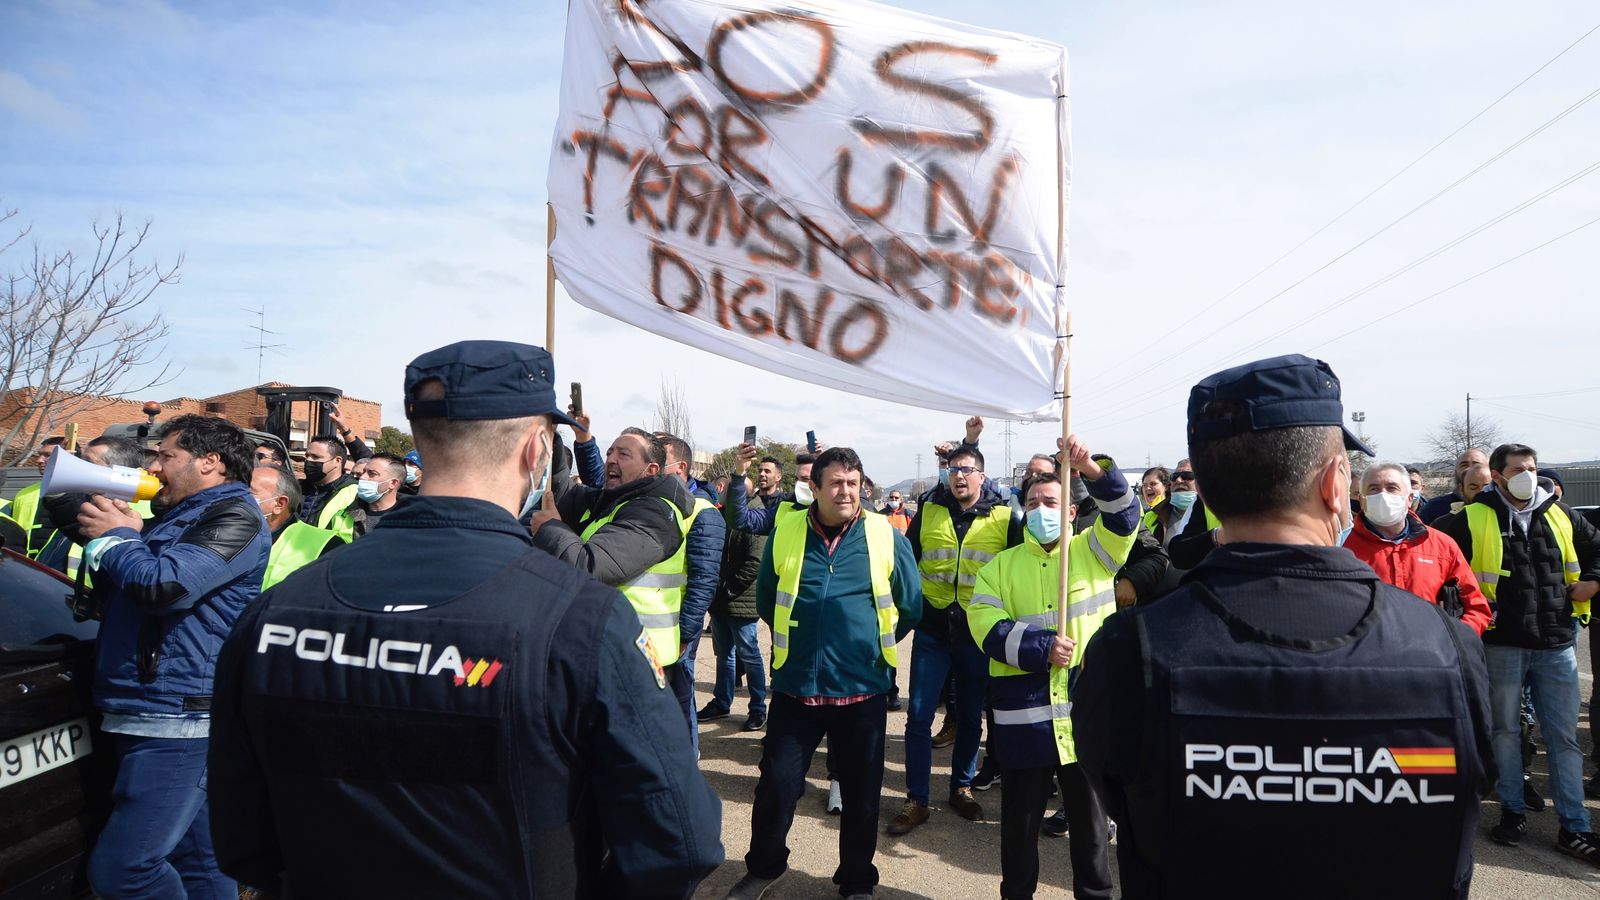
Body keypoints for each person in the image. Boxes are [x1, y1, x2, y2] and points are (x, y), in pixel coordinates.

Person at [209, 340, 722, 897]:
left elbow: (241, 836)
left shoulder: (279, 608)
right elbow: (680, 842)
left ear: (423, 440)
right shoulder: (582, 619)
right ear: (536, 450)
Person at [1074, 354, 1493, 898]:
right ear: (1336, 485)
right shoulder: (1446, 648)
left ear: (1204, 487)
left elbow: (1115, 788)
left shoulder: (1130, 650)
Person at [74, 414, 271, 898]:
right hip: (157, 707)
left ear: (210, 462)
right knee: (201, 863)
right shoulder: (181, 517)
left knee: (125, 871)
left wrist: (118, 538)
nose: (155, 468)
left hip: (177, 717)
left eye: (166, 455)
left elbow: (166, 587)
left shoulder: (235, 517)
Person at [727, 447, 921, 900]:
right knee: (775, 787)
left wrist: (872, 647)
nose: (846, 491)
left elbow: (910, 605)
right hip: (797, 692)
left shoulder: (884, 534)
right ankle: (765, 866)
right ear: (813, 488)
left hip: (862, 691)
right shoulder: (786, 527)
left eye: (854, 483)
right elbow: (767, 598)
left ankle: (856, 881)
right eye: (836, 483)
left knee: (862, 797)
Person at [968, 436, 1139, 900]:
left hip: (1086, 717)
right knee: (1019, 827)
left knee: (1090, 829)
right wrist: (1041, 647)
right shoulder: (1000, 568)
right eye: (1033, 501)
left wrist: (1090, 468)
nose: (1041, 507)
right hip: (1025, 719)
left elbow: (1126, 516)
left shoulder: (1096, 551)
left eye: (1051, 501)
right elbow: (984, 626)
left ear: (1069, 510)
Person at [1435, 442, 1600, 858]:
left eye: (1531, 467)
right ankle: (1512, 810)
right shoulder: (1470, 518)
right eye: (1517, 468)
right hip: (1501, 645)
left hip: (1557, 644)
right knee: (1504, 734)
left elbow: (1597, 548)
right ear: (1498, 475)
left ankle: (1574, 826)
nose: (1527, 474)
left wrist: (1593, 582)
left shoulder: (1560, 513)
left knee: (1563, 738)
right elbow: (1437, 563)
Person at [890, 443, 1024, 835]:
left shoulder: (1006, 518)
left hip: (977, 636)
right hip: (932, 631)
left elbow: (1014, 573)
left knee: (969, 717)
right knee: (917, 716)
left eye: (967, 469)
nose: (959, 475)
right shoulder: (928, 510)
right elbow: (905, 561)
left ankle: (961, 788)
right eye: (953, 470)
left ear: (983, 476)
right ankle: (916, 799)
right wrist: (907, 609)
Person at [531, 427, 697, 732]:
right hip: (609, 653)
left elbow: (589, 566)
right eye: (610, 451)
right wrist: (552, 435)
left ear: (652, 469)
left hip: (637, 664)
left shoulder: (655, 513)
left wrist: (551, 528)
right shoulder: (614, 500)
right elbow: (562, 493)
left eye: (624, 453)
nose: (611, 459)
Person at [1343, 462, 1492, 636]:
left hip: (1432, 656)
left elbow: (1476, 607)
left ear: (1409, 498)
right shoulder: (1342, 546)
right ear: (1362, 500)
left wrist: (1455, 640)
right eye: (1373, 489)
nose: (1383, 495)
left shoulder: (1442, 545)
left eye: (1392, 488)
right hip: (1367, 658)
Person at [701, 475, 770, 731]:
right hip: (720, 600)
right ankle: (721, 702)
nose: (722, 492)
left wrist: (729, 588)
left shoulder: (755, 515)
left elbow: (755, 561)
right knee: (724, 656)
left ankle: (757, 708)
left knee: (749, 655)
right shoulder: (724, 514)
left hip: (742, 600)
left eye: (728, 490)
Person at [250, 463, 346, 590]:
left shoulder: (328, 547)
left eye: (249, 492)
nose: (236, 497)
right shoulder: (224, 531)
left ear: (279, 504)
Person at [11, 435, 66, 556]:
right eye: (40, 455)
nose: (39, 460)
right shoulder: (23, 494)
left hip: (65, 570)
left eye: (48, 455)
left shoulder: (83, 494)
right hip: (25, 565)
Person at [297, 435, 358, 539]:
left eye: (316, 457)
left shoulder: (354, 493)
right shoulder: (297, 487)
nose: (308, 460)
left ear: (337, 461)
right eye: (307, 456)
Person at [1419, 448, 1490, 524]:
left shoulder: (1501, 508)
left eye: (1476, 465)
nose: (1469, 469)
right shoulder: (1435, 507)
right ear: (1455, 471)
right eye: (1464, 465)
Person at [349, 452, 405, 536]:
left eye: (372, 473)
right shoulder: (347, 512)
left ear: (392, 483)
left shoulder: (410, 521)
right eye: (364, 472)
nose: (362, 477)